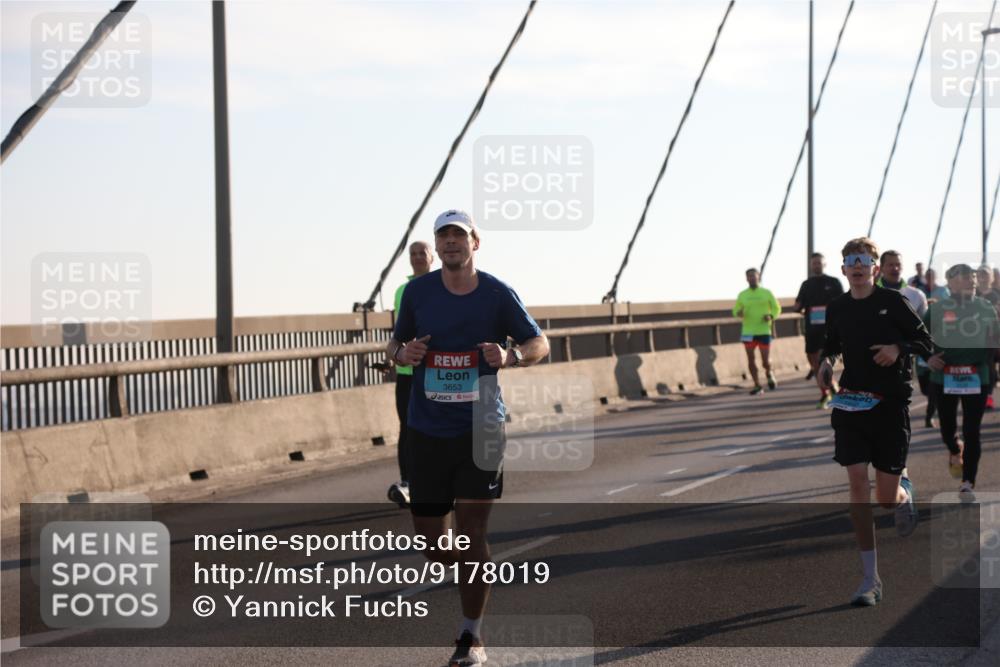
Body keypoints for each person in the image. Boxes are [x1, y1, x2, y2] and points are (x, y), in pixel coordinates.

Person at [387, 209, 549, 666]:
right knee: (435, 547)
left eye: (460, 236)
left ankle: (471, 636)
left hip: (481, 429)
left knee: (473, 534)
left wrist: (511, 354)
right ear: (435, 248)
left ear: (475, 243)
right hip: (427, 429)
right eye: (444, 237)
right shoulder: (417, 293)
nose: (451, 243)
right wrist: (405, 351)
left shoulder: (498, 293)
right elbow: (394, 345)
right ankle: (471, 575)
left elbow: (541, 343)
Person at [816, 237, 935, 607]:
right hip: (851, 402)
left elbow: (925, 342)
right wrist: (826, 362)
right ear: (843, 269)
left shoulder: (892, 302)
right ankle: (870, 579)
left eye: (864, 260)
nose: (857, 266)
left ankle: (902, 495)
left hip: (890, 404)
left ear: (875, 268)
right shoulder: (837, 307)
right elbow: (831, 343)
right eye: (851, 260)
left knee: (884, 499)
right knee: (856, 482)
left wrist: (898, 348)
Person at [924, 263, 998, 502]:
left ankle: (968, 483)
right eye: (966, 277)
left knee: (972, 430)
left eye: (974, 277)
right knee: (947, 430)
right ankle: (955, 448)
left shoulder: (986, 307)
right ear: (950, 281)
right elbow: (918, 336)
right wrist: (928, 357)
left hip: (977, 376)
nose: (972, 280)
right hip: (943, 376)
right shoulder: (938, 308)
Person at [387, 241, 435, 508]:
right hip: (407, 371)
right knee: (407, 428)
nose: (417, 257)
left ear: (432, 257)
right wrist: (395, 357)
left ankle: (436, 481)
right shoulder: (402, 291)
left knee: (435, 428)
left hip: (435, 371)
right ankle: (408, 483)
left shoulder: (443, 284)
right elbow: (399, 332)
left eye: (422, 253)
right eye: (413, 254)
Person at [794, 252, 844, 407]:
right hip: (812, 329)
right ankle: (828, 388)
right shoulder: (806, 284)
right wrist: (797, 307)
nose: (816, 265)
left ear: (824, 264)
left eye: (819, 263)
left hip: (830, 328)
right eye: (814, 263)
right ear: (811, 265)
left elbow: (844, 302)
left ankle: (826, 393)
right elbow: (798, 305)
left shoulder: (834, 282)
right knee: (814, 361)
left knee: (826, 360)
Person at [734, 268, 781, 395]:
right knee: (751, 359)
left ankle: (769, 372)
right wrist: (739, 312)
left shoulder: (766, 292)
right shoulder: (742, 295)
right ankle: (757, 384)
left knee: (765, 360)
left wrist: (771, 316)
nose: (751, 278)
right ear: (746, 279)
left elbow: (777, 308)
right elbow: (735, 311)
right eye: (749, 276)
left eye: (753, 276)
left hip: (764, 330)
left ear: (758, 277)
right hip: (748, 332)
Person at [878, 251, 928, 317]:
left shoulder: (917, 295)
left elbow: (924, 324)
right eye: (890, 265)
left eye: (898, 264)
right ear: (881, 268)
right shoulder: (868, 294)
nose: (895, 268)